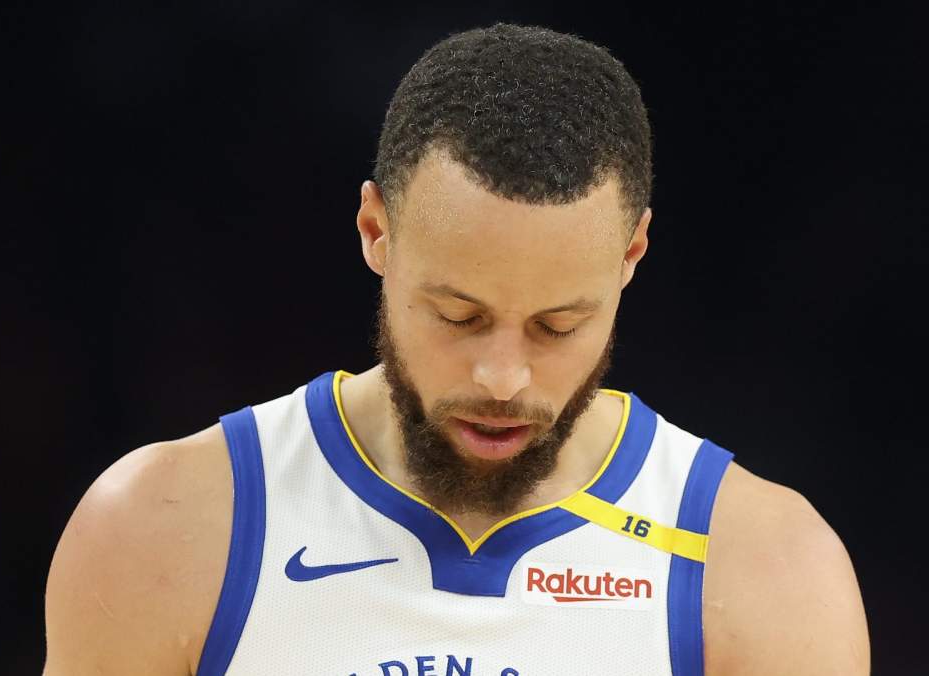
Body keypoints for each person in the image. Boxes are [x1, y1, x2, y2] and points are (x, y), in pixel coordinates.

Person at [44, 23, 869, 675]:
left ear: (632, 256)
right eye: (459, 316)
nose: (503, 378)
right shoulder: (166, 530)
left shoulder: (764, 571)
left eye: (557, 326)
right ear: (376, 231)